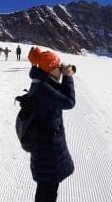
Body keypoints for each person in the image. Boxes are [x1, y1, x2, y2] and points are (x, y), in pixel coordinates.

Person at [27, 47, 76, 202]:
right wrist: (68, 77)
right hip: (49, 154)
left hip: (44, 152)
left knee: (43, 188)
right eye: (58, 67)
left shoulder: (41, 83)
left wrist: (65, 76)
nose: (61, 70)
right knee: (49, 192)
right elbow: (69, 102)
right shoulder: (44, 89)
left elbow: (58, 94)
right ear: (50, 70)